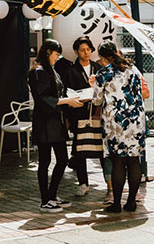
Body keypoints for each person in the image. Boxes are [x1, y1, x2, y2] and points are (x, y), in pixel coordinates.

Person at [27, 39, 84, 212]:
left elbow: (59, 93)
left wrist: (72, 97)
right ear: (47, 52)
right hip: (45, 121)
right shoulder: (38, 71)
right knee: (45, 161)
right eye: (56, 53)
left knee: (62, 159)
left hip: (55, 121)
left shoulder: (49, 70)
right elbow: (44, 98)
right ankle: (45, 199)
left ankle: (51, 195)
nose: (58, 57)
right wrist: (68, 101)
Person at [94, 42, 146, 213]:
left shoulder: (103, 73)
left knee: (117, 161)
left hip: (116, 122)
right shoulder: (132, 68)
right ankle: (131, 202)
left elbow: (97, 100)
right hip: (136, 119)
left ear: (102, 57)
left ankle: (116, 203)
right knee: (133, 160)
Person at [58, 36, 109, 198]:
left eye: (88, 49)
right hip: (78, 113)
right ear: (76, 52)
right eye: (82, 50)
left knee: (101, 149)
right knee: (80, 150)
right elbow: (66, 93)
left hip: (98, 113)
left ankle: (109, 184)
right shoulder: (70, 71)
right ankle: (83, 183)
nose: (86, 53)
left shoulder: (99, 68)